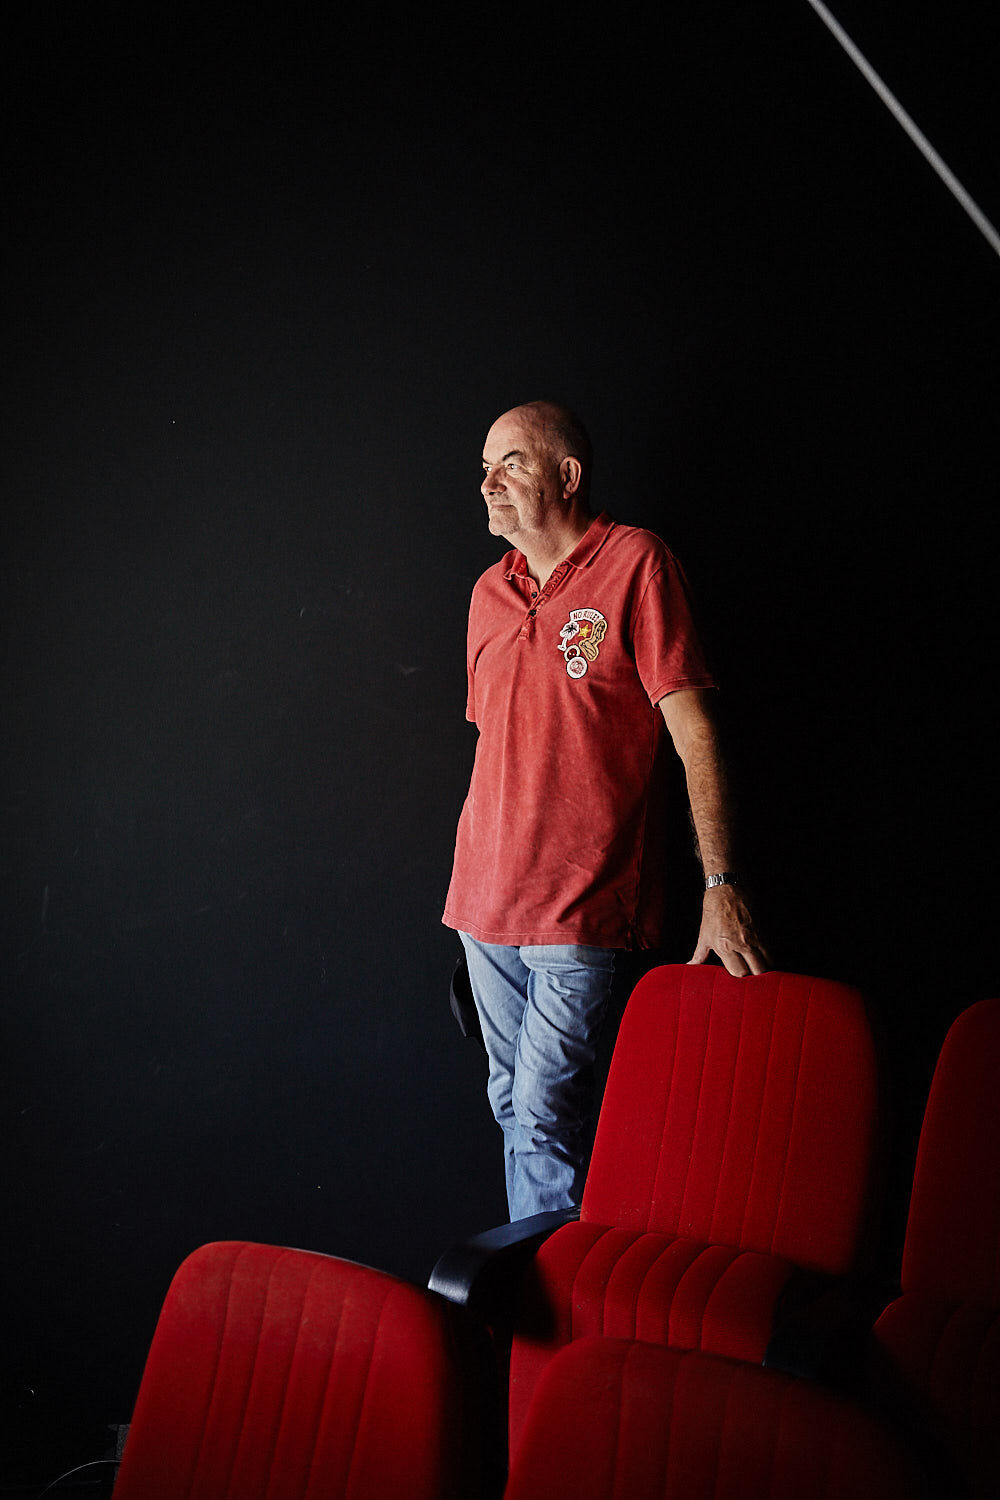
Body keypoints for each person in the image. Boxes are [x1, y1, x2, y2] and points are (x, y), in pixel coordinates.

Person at [443, 400, 769, 1221]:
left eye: (510, 462)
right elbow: (503, 745)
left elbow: (696, 731)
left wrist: (721, 884)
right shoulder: (488, 593)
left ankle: (552, 1313)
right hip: (483, 905)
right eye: (484, 466)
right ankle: (554, 1291)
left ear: (567, 474)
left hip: (583, 906)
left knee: (548, 1115)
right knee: (515, 1112)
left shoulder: (638, 564)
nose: (488, 481)